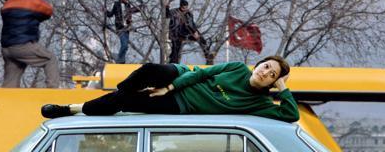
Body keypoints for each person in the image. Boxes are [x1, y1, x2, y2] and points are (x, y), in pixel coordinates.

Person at [40, 56, 299, 123]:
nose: (265, 72)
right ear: (259, 64)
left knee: (124, 103)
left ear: (272, 83)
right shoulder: (238, 68)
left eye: (272, 75)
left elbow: (290, 115)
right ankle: (125, 90)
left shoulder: (260, 104)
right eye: (266, 66)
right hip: (183, 77)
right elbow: (202, 74)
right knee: (151, 70)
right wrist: (171, 86)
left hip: (182, 105)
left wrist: (283, 88)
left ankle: (71, 110)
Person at [0, 0, 60, 88]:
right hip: (23, 46)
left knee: (10, 83)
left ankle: (5, 104)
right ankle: (52, 94)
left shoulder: (7, 4)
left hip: (7, 49)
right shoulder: (31, 0)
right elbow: (48, 11)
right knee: (50, 59)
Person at [105, 0, 140, 64]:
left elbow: (131, 11)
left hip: (127, 28)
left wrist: (139, 8)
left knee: (126, 46)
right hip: (120, 28)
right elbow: (111, 14)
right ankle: (119, 60)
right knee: (124, 45)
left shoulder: (128, 5)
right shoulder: (116, 4)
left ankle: (122, 61)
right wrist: (106, 12)